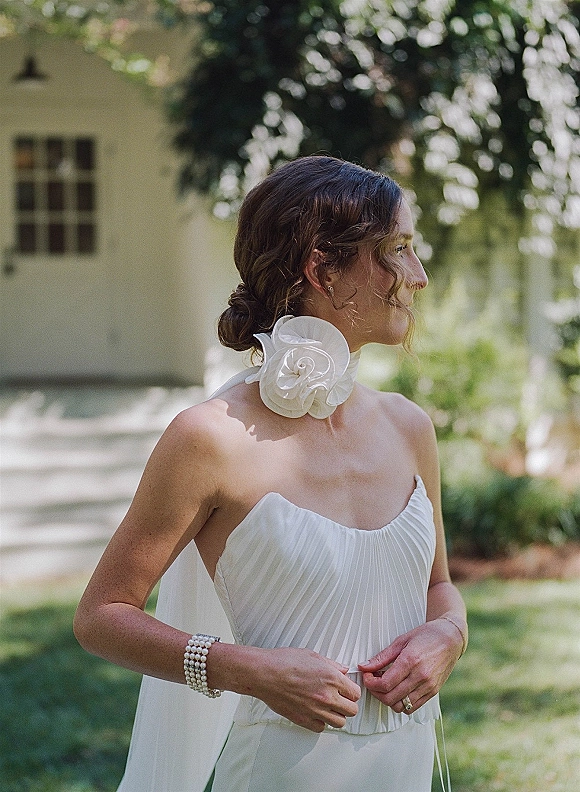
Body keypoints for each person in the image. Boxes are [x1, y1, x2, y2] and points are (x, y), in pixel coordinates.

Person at [74, 155, 467, 792]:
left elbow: (439, 587)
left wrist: (449, 635)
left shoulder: (409, 427)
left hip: (406, 766)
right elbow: (100, 615)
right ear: (322, 268)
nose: (418, 277)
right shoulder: (211, 437)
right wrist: (247, 670)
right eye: (398, 250)